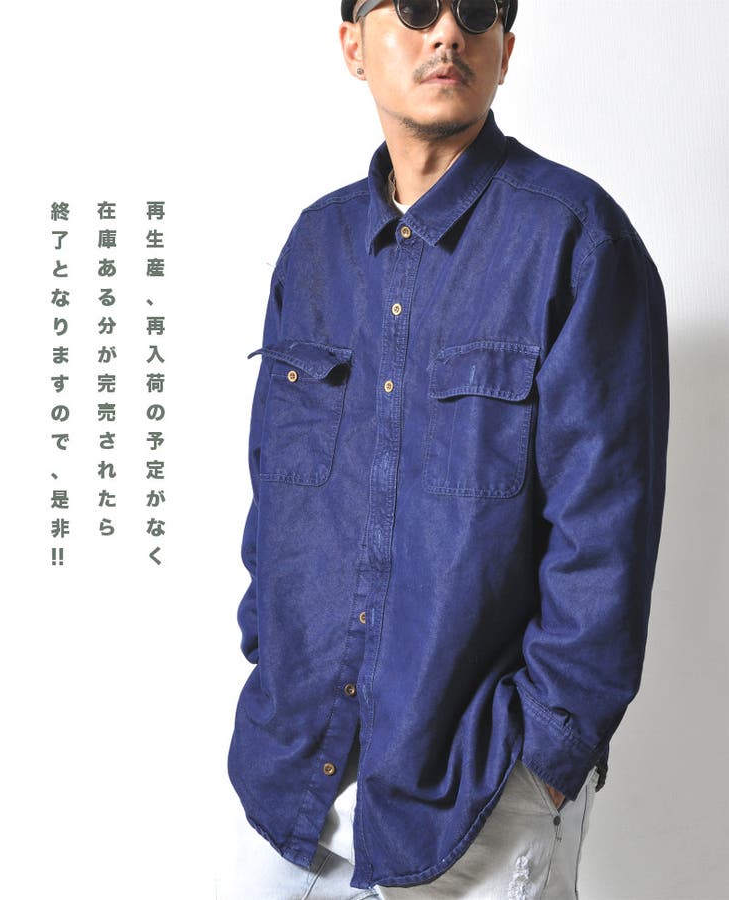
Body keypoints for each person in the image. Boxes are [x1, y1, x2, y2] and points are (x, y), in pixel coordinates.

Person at [226, 0, 669, 896]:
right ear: (353, 46)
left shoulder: (577, 241)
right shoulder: (314, 246)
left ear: (506, 47)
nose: (447, 33)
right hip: (293, 773)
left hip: (477, 796)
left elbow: (607, 536)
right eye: (418, 7)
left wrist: (544, 761)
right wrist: (268, 655)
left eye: (476, 10)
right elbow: (274, 492)